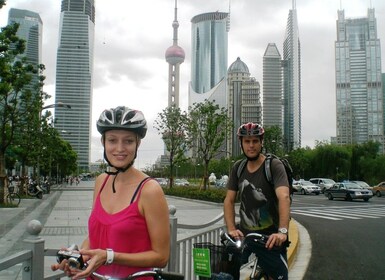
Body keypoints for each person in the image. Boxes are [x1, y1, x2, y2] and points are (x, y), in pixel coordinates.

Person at [51, 106, 170, 279]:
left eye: (128, 141)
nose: (120, 148)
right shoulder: (101, 181)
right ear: (103, 142)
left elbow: (161, 257)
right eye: (112, 140)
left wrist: (109, 256)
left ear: (138, 143)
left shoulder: (150, 190)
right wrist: (78, 256)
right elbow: (95, 237)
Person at [223, 122, 291, 280]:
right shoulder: (238, 168)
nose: (251, 145)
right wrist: (232, 228)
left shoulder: (273, 166)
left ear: (261, 142)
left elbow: (284, 197)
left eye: (255, 141)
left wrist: (282, 232)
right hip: (245, 237)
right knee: (227, 272)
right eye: (247, 141)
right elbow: (229, 200)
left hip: (270, 239)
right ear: (241, 144)